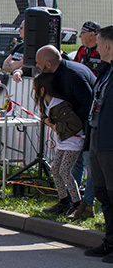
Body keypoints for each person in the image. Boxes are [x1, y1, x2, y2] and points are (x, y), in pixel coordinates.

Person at [34, 44, 96, 215]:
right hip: (70, 132)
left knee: (87, 166)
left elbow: (88, 105)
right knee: (64, 169)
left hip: (83, 129)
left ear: (48, 64)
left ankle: (85, 205)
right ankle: (68, 201)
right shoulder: (59, 72)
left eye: (39, 63)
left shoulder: (73, 76)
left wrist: (64, 127)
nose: (37, 66)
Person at [32, 72, 85, 216]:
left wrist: (56, 127)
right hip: (63, 141)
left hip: (73, 141)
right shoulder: (47, 103)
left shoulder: (60, 105)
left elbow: (76, 123)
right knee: (55, 170)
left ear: (42, 90)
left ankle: (76, 203)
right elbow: (46, 117)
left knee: (64, 171)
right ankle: (63, 200)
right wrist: (47, 121)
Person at [83, 26, 113, 261]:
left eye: (99, 42)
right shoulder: (105, 71)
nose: (96, 46)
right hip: (96, 137)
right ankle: (109, 241)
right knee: (103, 192)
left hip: (109, 142)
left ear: (108, 46)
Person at [69, 21, 104, 220]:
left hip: (98, 114)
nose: (80, 37)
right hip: (81, 112)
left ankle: (88, 202)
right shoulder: (82, 51)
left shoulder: (104, 54)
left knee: (91, 160)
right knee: (77, 157)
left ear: (94, 34)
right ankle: (74, 200)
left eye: (83, 33)